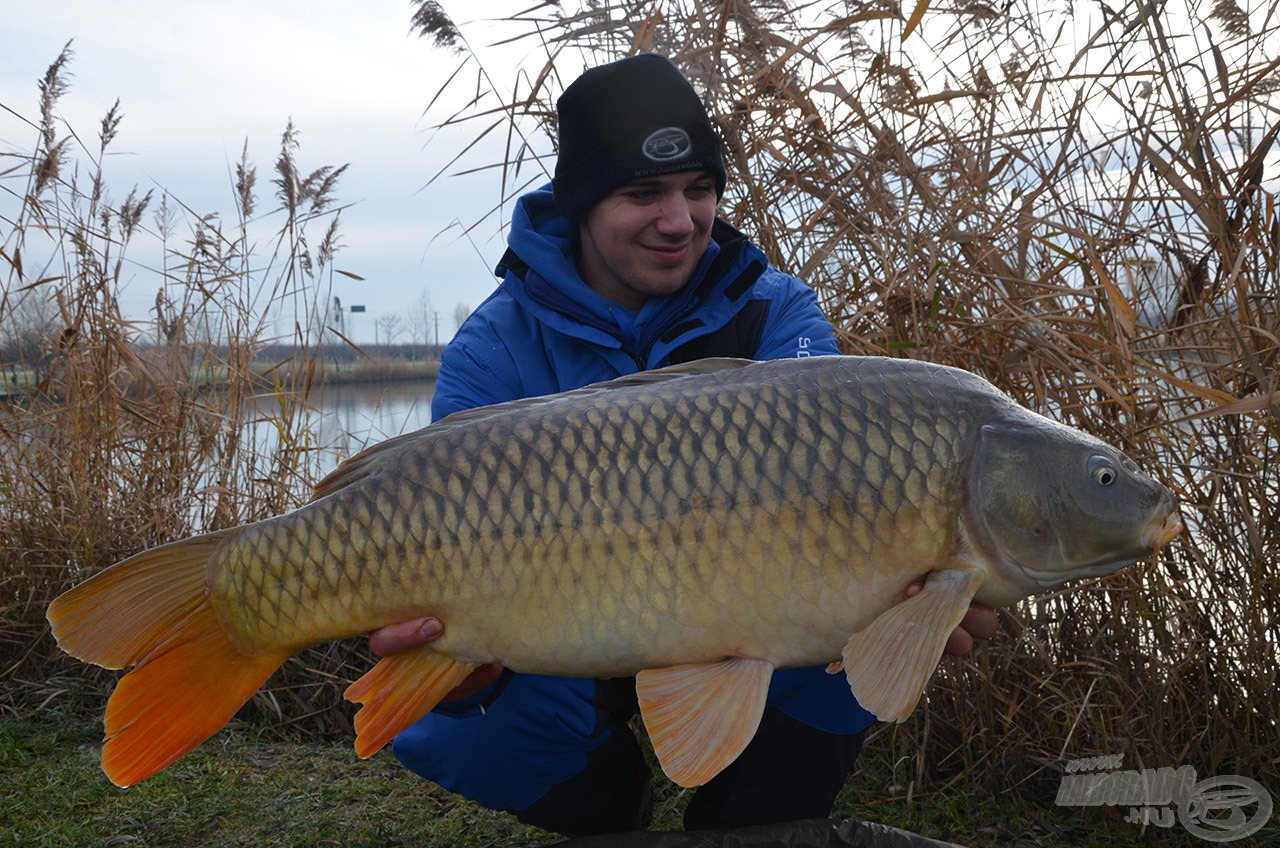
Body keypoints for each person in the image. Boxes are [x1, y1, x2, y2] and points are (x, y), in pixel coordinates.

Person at [369, 53, 998, 836]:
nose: (680, 221)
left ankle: (743, 827)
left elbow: (833, 480)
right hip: (563, 626)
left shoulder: (776, 313)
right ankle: (609, 809)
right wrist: (461, 673)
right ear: (583, 206)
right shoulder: (493, 350)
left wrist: (918, 597)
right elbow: (442, 538)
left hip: (741, 610)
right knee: (451, 724)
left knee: (847, 645)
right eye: (643, 194)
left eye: (699, 190)